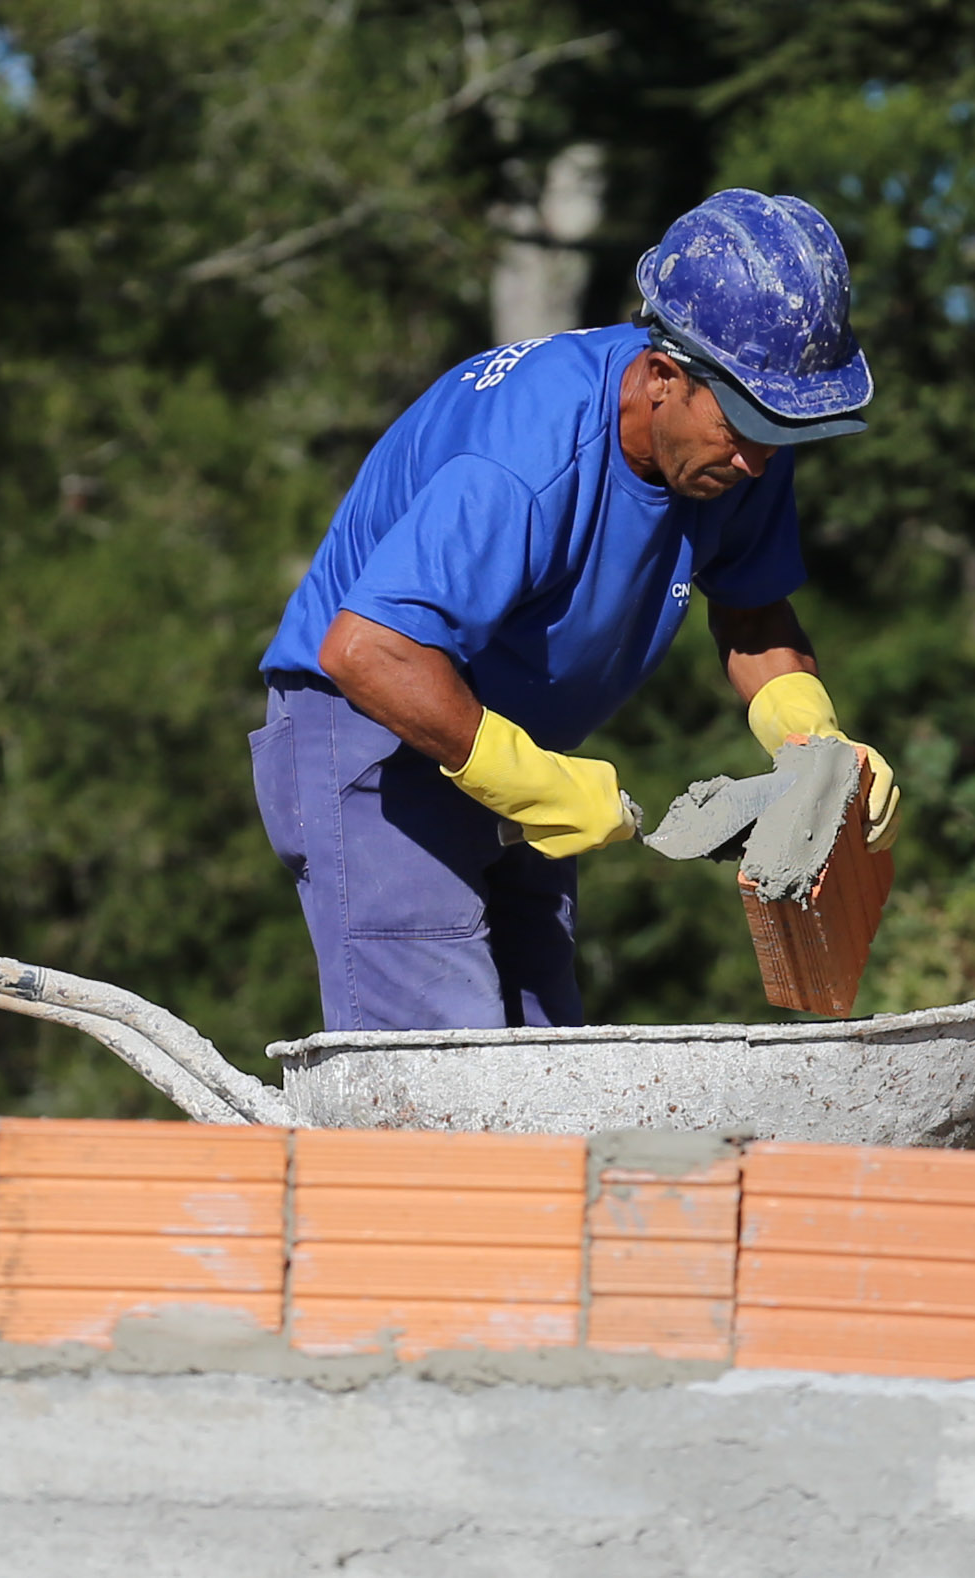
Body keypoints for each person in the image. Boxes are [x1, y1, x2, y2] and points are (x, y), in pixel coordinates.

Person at [248, 189, 900, 1031]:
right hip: (376, 732)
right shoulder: (526, 455)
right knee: (448, 1071)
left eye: (783, 435)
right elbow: (369, 651)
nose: (758, 460)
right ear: (664, 375)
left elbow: (753, 615)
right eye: (743, 426)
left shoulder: (739, 451)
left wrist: (818, 743)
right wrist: (531, 782)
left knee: (549, 1055)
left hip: (502, 738)